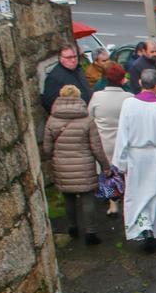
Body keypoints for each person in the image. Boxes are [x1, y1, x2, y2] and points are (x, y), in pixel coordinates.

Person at [113, 69, 156, 251]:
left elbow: (122, 135)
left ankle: (145, 227)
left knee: (139, 194)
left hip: (137, 156)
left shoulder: (128, 104)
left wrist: (120, 163)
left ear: (140, 83)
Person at [43, 85, 109, 245]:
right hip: (84, 165)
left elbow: (47, 148)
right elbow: (96, 147)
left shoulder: (52, 120)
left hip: (62, 166)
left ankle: (72, 227)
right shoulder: (87, 120)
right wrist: (105, 166)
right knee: (87, 199)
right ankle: (91, 233)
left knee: (69, 198)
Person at [86, 62, 132, 217]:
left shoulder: (97, 97)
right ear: (121, 79)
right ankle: (127, 202)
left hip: (104, 142)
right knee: (125, 173)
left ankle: (113, 204)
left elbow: (90, 117)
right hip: (124, 143)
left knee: (108, 174)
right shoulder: (128, 98)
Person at [42, 45, 92, 113]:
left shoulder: (78, 70)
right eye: (69, 57)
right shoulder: (54, 77)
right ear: (60, 58)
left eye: (75, 56)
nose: (73, 60)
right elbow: (48, 103)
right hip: (72, 116)